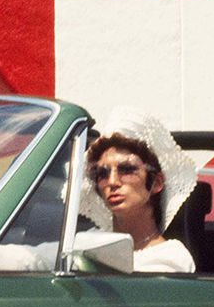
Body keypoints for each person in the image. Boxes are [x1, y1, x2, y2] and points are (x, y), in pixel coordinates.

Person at [83, 108, 196, 274]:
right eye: (102, 174)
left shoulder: (171, 257)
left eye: (127, 170)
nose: (112, 182)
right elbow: (34, 258)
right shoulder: (88, 241)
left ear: (156, 182)